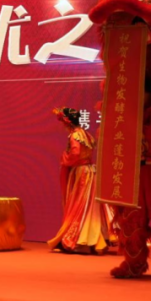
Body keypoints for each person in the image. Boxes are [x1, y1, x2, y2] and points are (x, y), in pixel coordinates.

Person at [47, 108, 112, 254]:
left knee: (80, 206)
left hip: (81, 172)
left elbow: (75, 153)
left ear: (67, 122)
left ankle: (78, 240)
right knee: (89, 207)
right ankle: (92, 240)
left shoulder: (75, 135)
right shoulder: (86, 134)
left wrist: (65, 157)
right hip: (90, 171)